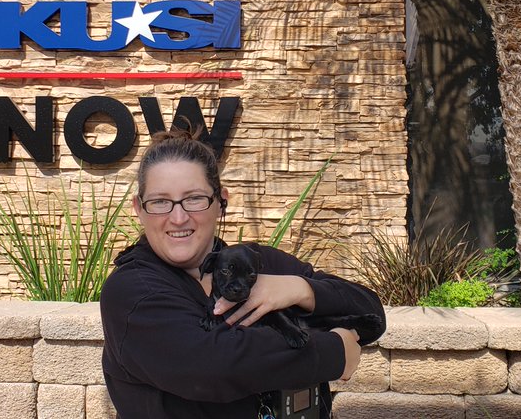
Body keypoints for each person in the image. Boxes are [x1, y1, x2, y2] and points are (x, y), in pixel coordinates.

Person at [100, 128, 386, 418]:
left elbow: (371, 314)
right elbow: (211, 367)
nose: (178, 217)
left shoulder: (262, 263)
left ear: (221, 201)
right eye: (160, 201)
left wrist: (301, 289)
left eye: (194, 199)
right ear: (139, 208)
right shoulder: (133, 291)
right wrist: (334, 350)